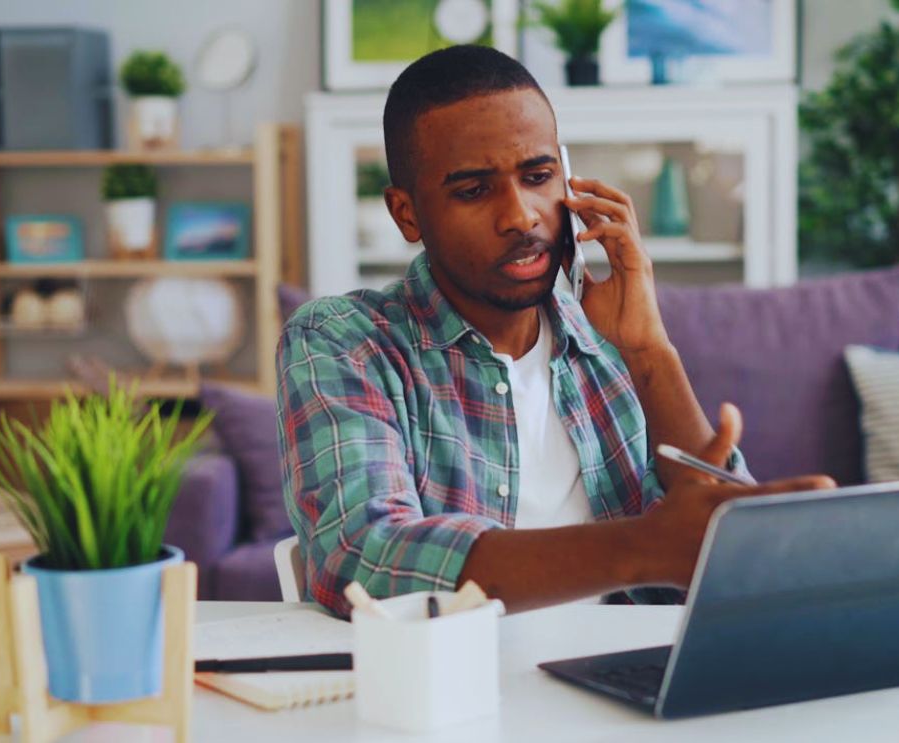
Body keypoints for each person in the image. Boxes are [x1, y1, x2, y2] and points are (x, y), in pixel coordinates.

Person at [276, 45, 833, 618]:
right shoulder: (346, 342)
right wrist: (646, 548)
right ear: (406, 214)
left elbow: (736, 565)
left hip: (623, 682)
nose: (521, 215)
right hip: (453, 693)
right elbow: (363, 562)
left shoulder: (609, 345)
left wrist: (649, 352)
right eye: (472, 190)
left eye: (538, 176)